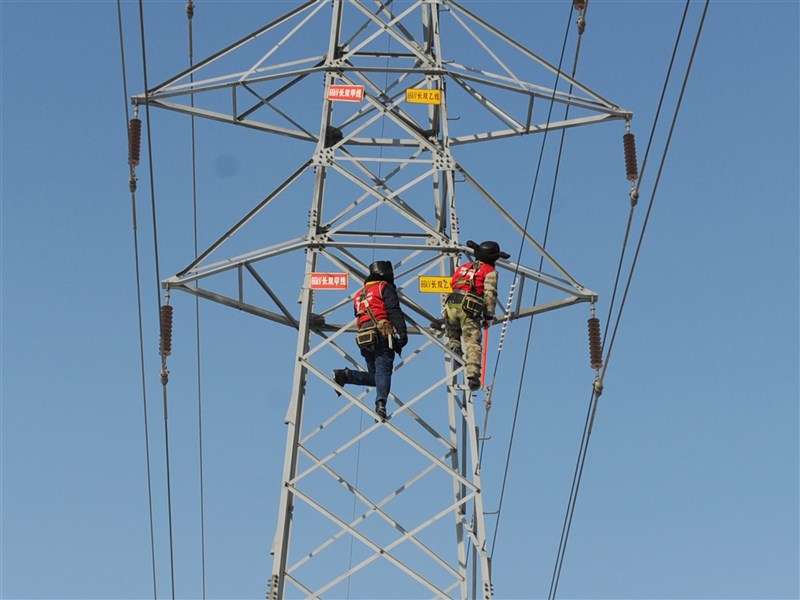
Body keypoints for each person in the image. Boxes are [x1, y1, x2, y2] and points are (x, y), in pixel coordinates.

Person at [333, 260, 408, 419]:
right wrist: (402, 332)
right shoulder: (384, 287)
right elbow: (393, 310)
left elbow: (358, 315)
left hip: (364, 337)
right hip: (381, 334)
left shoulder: (359, 294)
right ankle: (381, 403)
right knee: (383, 371)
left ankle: (345, 376)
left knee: (376, 377)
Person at [445, 240, 510, 390]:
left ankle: (455, 354)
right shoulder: (489, 271)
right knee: (473, 342)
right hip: (469, 308)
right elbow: (490, 294)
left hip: (451, 305)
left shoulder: (462, 267)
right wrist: (488, 316)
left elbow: (453, 284)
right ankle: (473, 376)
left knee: (454, 336)